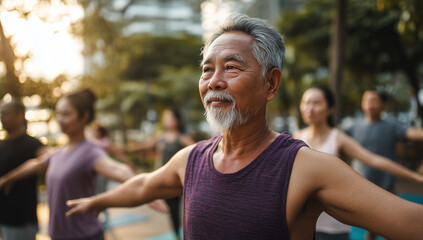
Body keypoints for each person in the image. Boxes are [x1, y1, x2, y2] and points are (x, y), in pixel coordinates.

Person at [65, 14, 423, 239]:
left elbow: (409, 222)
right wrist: (98, 200)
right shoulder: (190, 160)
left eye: (232, 68)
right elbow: (144, 185)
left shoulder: (307, 167)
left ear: (271, 84)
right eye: (207, 70)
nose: (214, 81)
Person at [0, 89, 135, 240]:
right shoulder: (57, 153)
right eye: (59, 114)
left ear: (84, 116)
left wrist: (145, 186)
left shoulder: (90, 152)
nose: (60, 119)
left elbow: (118, 169)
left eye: (66, 114)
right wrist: (7, 179)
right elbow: (35, 164)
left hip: (85, 236)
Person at [293, 86, 423, 240]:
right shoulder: (296, 138)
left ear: (330, 109)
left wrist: (416, 177)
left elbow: (374, 160)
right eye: (306, 102)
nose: (309, 108)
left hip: (334, 226)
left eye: (316, 103)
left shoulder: (338, 138)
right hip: (303, 225)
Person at [344, 89, 423, 240]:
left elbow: (413, 133)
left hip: (387, 185)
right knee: (371, 225)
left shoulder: (392, 126)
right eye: (366, 100)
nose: (370, 105)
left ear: (383, 105)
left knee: (395, 224)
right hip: (362, 185)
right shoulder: (353, 127)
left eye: (374, 101)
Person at [126, 109, 195, 240]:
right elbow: (147, 145)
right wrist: (127, 149)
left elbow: (197, 149)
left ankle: (182, 235)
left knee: (180, 209)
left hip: (178, 181)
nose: (167, 120)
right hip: (163, 178)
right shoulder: (162, 136)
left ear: (177, 120)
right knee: (172, 209)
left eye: (170, 117)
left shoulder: (182, 137)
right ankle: (177, 234)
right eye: (165, 117)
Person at [0, 100, 47, 240]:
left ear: (20, 115)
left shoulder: (33, 144)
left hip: (22, 219)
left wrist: (9, 179)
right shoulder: (2, 145)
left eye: (5, 114)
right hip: (4, 218)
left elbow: (48, 161)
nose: (2, 118)